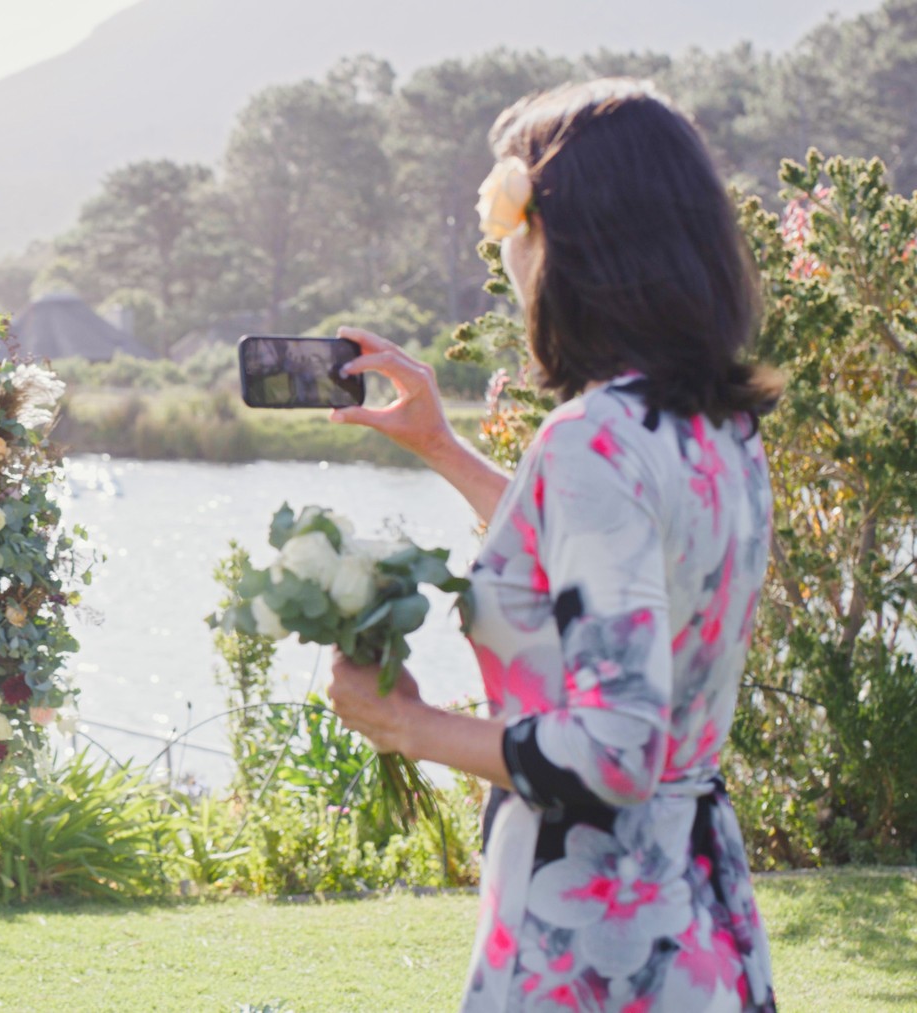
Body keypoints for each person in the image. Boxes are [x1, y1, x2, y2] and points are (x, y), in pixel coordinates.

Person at [323, 79, 779, 1012]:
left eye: (511, 224)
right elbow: (599, 570)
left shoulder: (589, 441)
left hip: (594, 946)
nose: (509, 250)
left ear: (566, 241)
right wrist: (443, 450)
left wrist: (408, 726)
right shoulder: (716, 428)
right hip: (699, 916)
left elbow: (614, 752)